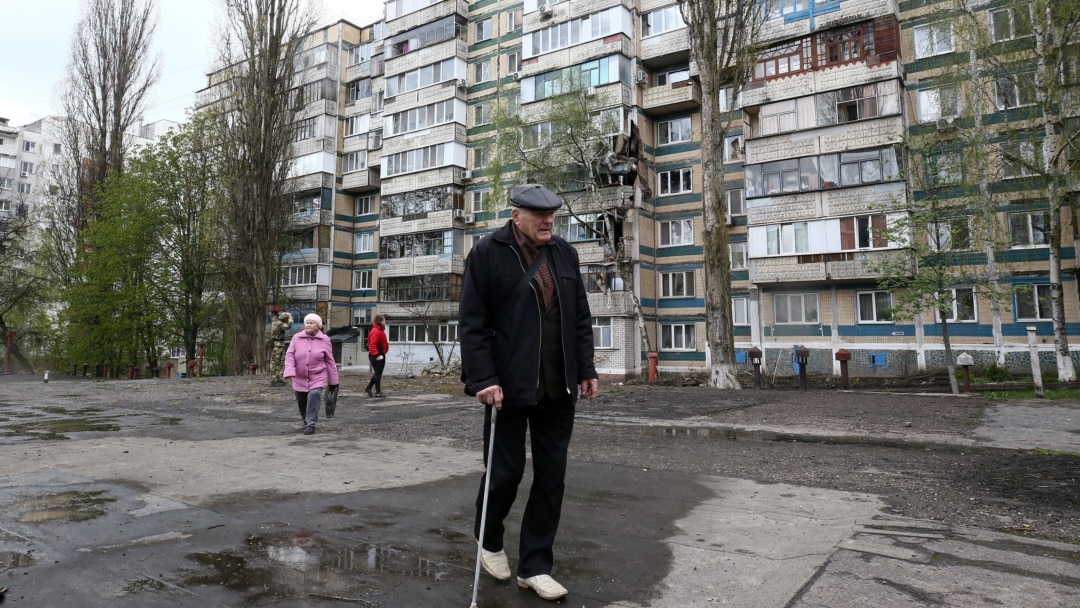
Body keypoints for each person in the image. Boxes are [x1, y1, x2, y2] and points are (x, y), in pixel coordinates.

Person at [458, 183, 599, 601]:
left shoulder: (564, 254)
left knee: (551, 477)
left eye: (552, 213)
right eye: (539, 214)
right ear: (516, 215)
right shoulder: (487, 252)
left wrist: (586, 369)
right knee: (505, 473)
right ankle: (490, 540)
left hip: (559, 387)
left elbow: (580, 319)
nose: (548, 221)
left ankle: (535, 565)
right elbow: (473, 324)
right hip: (508, 388)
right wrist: (483, 379)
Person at [283, 314, 339, 435]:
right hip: (300, 376)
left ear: (318, 326)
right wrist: (290, 372)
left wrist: (334, 380)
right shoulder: (296, 338)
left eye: (311, 323)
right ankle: (305, 419)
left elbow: (330, 360)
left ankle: (311, 423)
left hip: (317, 375)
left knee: (314, 395)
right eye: (307, 322)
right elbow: (289, 355)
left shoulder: (325, 339)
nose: (308, 325)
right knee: (301, 400)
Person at [364, 314, 389, 398]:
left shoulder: (379, 330)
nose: (385, 322)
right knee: (378, 374)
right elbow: (372, 344)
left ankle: (368, 388)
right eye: (384, 320)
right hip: (376, 355)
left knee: (378, 373)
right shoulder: (376, 331)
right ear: (380, 321)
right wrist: (377, 355)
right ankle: (378, 392)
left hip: (380, 354)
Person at [269, 311, 292, 386]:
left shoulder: (276, 322)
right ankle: (274, 379)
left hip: (280, 344)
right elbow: (288, 326)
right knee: (276, 362)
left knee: (280, 362)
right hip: (277, 344)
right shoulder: (278, 323)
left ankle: (278, 378)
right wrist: (290, 318)